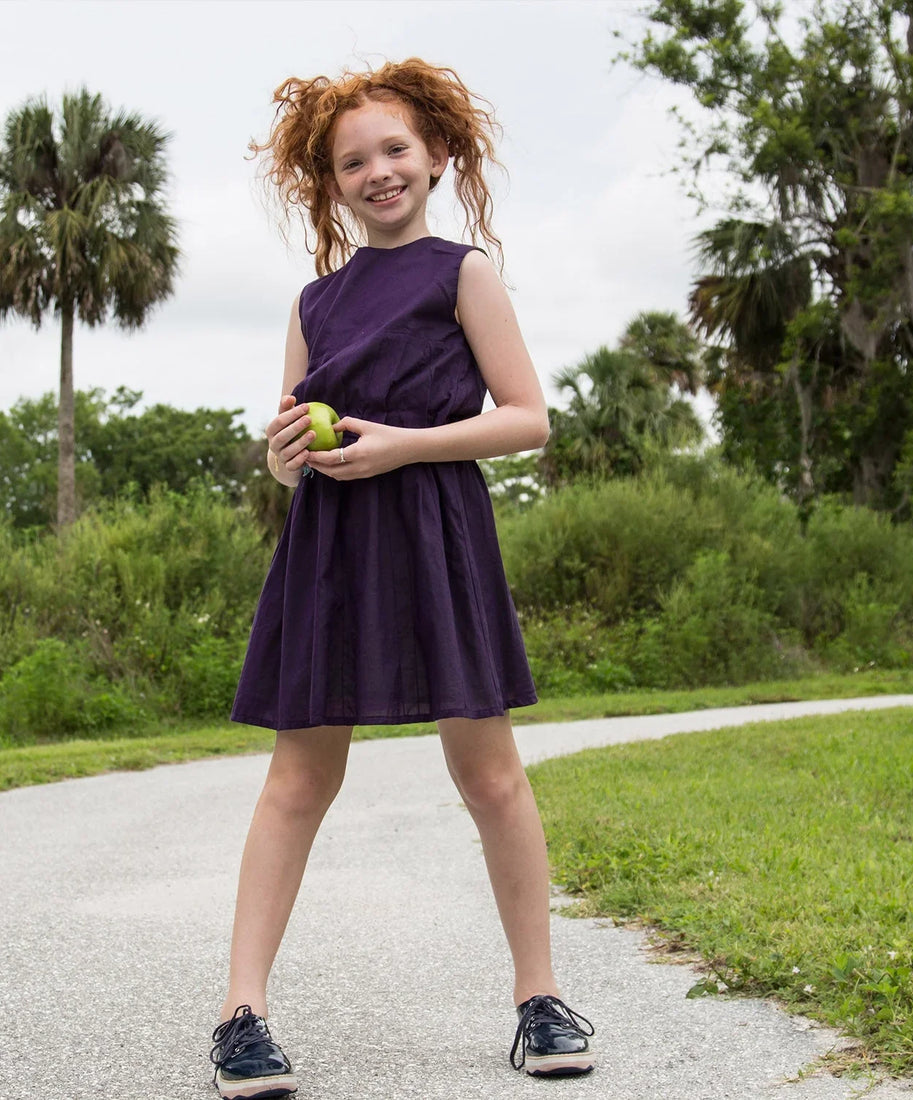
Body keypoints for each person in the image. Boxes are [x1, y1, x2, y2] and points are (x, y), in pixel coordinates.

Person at [210, 58, 594, 1099]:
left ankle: (540, 998)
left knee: (490, 774)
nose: (376, 171)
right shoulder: (312, 299)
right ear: (326, 183)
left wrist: (404, 444)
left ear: (435, 157)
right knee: (298, 778)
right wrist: (288, 446)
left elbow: (525, 417)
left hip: (436, 529)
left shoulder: (461, 273)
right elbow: (284, 449)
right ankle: (241, 1015)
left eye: (393, 151)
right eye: (351, 161)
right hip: (329, 543)